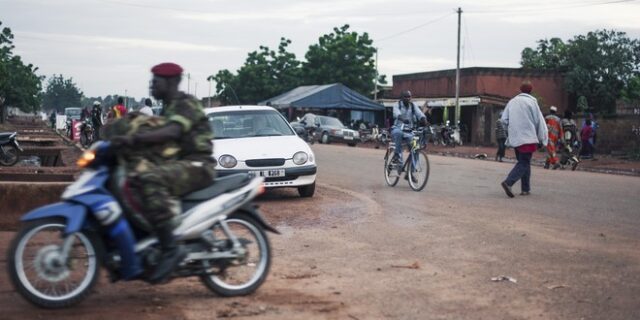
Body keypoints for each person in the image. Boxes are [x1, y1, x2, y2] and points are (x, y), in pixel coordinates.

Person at [111, 62, 216, 283]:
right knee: (135, 177)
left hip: (198, 164)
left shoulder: (186, 104)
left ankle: (171, 248)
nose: (152, 86)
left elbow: (172, 131)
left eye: (155, 82)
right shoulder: (168, 106)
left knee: (151, 179)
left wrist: (136, 139)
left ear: (171, 82)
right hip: (180, 162)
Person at [500, 81, 548, 198]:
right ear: (531, 91)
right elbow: (539, 121)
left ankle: (526, 189)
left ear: (520, 90)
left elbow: (503, 120)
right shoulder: (532, 102)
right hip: (528, 137)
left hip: (515, 138)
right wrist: (542, 138)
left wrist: (511, 130)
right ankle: (508, 182)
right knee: (524, 162)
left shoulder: (512, 102)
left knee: (524, 162)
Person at [391, 90, 427, 164]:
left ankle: (411, 172)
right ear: (401, 98)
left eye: (409, 97)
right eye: (405, 97)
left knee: (415, 148)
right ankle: (397, 155)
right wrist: (402, 119)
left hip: (409, 131)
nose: (407, 98)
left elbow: (419, 113)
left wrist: (424, 119)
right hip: (398, 128)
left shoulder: (413, 106)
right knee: (398, 133)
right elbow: (396, 114)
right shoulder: (397, 105)